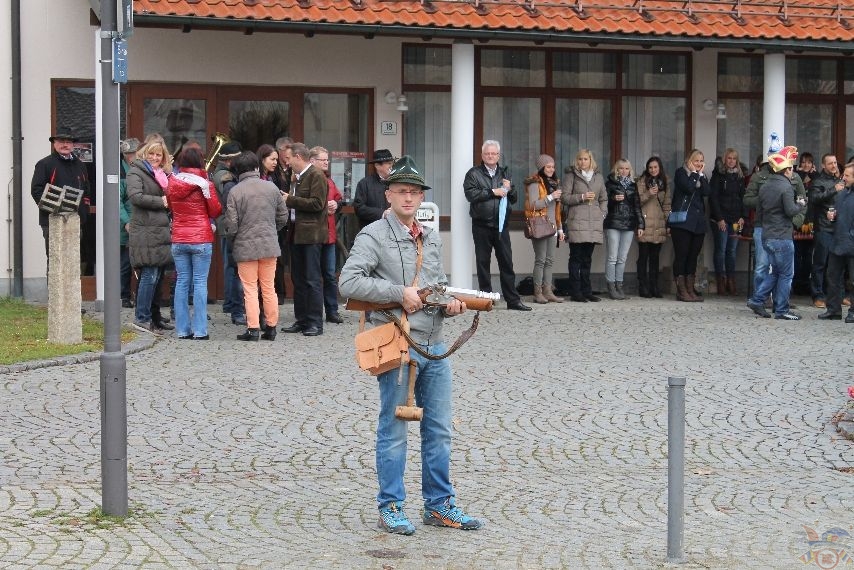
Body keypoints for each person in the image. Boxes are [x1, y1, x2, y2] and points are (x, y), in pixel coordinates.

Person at [338, 155, 484, 536]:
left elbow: (435, 286)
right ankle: (390, 506)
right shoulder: (372, 235)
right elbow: (348, 283)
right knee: (394, 429)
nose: (408, 197)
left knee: (439, 430)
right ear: (388, 194)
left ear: (421, 198)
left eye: (415, 192)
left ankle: (439, 505)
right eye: (402, 191)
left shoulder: (430, 237)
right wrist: (397, 293)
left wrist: (451, 305)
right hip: (398, 345)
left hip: (434, 346)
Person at [223, 151, 289, 341]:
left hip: (245, 247)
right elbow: (283, 216)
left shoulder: (235, 191)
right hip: (269, 245)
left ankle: (253, 329)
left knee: (250, 288)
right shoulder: (271, 187)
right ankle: (271, 327)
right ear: (256, 167)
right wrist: (272, 230)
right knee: (268, 287)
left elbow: (231, 224)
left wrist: (234, 238)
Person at [464, 140, 530, 311]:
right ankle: (486, 300)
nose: (490, 156)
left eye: (493, 153)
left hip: (502, 225)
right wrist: (493, 192)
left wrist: (510, 189)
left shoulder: (505, 173)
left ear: (498, 156)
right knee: (483, 263)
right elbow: (471, 195)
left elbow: (514, 198)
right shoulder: (473, 173)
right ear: (482, 155)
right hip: (481, 224)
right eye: (487, 153)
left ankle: (513, 301)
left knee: (507, 263)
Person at [165, 147, 222, 339]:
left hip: (179, 237)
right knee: (199, 282)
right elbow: (215, 211)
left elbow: (171, 207)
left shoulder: (172, 182)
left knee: (182, 281)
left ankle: (182, 330)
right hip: (200, 238)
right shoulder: (205, 184)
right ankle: (200, 331)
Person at [744, 135, 807, 306]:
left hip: (785, 226)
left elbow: (803, 199)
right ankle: (762, 299)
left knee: (782, 269)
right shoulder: (759, 176)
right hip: (762, 225)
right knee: (762, 266)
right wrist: (769, 200)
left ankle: (779, 301)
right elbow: (747, 200)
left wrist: (796, 221)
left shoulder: (794, 177)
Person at [127, 136, 174, 333]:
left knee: (158, 276)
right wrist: (161, 201)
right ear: (144, 154)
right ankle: (142, 318)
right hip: (146, 230)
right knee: (149, 275)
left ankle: (155, 317)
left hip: (159, 230)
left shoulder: (161, 174)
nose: (155, 157)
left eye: (159, 155)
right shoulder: (136, 171)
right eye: (152, 154)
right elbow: (135, 197)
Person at [281, 143, 328, 336]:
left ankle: (315, 322)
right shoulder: (297, 177)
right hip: (296, 233)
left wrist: (289, 200)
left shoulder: (316, 175)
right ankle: (301, 320)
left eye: (289, 158)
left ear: (298, 157)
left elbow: (317, 204)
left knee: (312, 279)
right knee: (298, 279)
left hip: (311, 235)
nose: (287, 162)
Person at [30, 127, 91, 271]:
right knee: (56, 261)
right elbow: (36, 190)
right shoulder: (44, 164)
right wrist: (57, 209)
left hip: (75, 220)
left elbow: (86, 190)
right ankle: (54, 288)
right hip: (52, 220)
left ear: (73, 145)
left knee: (73, 260)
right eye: (61, 141)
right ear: (55, 143)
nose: (65, 145)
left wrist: (83, 213)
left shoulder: (80, 165)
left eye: (68, 142)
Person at [560, 149, 608, 303]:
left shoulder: (598, 177)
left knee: (587, 259)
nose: (582, 162)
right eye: (580, 159)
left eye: (586, 159)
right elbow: (564, 197)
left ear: (590, 160)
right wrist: (581, 197)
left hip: (593, 222)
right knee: (576, 258)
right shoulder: (571, 175)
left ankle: (587, 291)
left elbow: (604, 198)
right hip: (577, 221)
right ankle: (576, 292)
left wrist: (602, 214)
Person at [669, 149, 712, 302]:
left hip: (698, 223)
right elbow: (687, 188)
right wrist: (694, 173)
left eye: (701, 161)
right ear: (689, 161)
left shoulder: (701, 175)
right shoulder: (681, 173)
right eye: (696, 160)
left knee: (693, 256)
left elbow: (707, 192)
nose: (699, 164)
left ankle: (690, 288)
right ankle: (681, 291)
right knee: (682, 255)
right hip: (682, 222)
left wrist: (701, 175)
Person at [309, 145, 345, 324]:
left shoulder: (329, 180)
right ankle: (313, 313)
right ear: (312, 161)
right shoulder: (307, 179)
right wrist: (325, 206)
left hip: (329, 235)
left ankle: (332, 311)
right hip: (314, 235)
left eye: (327, 160)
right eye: (322, 160)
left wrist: (336, 205)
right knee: (313, 276)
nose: (326, 163)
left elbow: (340, 199)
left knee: (330, 275)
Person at [212, 140, 246, 326]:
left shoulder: (223, 174)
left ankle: (230, 303)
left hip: (226, 225)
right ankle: (231, 304)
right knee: (231, 267)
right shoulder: (224, 176)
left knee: (230, 266)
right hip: (228, 226)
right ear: (230, 160)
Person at [524, 154, 563, 303]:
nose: (551, 169)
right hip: (540, 225)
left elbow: (557, 210)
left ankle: (548, 291)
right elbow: (533, 205)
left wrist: (560, 228)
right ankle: (538, 292)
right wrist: (550, 197)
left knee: (550, 260)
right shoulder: (534, 183)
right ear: (541, 168)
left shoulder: (554, 183)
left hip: (552, 226)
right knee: (540, 260)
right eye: (548, 167)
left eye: (553, 167)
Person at [818, 162, 854, 323]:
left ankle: (853, 312)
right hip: (838, 241)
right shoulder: (842, 194)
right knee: (832, 276)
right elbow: (838, 215)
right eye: (844, 174)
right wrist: (832, 218)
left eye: (847, 175)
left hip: (851, 242)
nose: (843, 178)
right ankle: (833, 309)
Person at [603, 159, 644, 300]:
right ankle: (611, 286)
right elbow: (603, 203)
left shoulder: (633, 185)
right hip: (613, 222)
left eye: (627, 168)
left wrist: (641, 225)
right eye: (621, 168)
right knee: (612, 257)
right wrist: (613, 199)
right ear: (616, 169)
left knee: (622, 258)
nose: (624, 171)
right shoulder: (610, 183)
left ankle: (619, 285)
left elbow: (637, 206)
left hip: (629, 224)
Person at [808, 153, 844, 309]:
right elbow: (814, 199)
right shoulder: (818, 181)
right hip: (823, 227)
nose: (834, 166)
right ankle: (817, 295)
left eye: (835, 163)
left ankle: (838, 295)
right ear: (823, 165)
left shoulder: (839, 180)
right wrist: (834, 190)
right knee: (820, 263)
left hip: (838, 228)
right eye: (830, 163)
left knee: (838, 264)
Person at [709, 148, 746, 296]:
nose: (731, 161)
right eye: (729, 158)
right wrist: (719, 218)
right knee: (721, 250)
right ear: (725, 159)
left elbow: (743, 197)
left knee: (732, 251)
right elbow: (713, 198)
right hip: (721, 219)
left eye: (734, 158)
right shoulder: (718, 175)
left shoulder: (740, 176)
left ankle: (731, 280)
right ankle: (721, 280)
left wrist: (743, 216)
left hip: (736, 219)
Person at [636, 156, 671, 298]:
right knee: (643, 257)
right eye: (650, 167)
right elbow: (637, 201)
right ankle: (643, 286)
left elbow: (667, 204)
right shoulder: (641, 181)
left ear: (659, 167)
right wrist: (649, 194)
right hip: (645, 223)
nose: (653, 170)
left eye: (655, 167)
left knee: (655, 258)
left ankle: (654, 286)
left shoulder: (665, 181)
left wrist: (668, 223)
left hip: (659, 224)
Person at [119, 137, 140, 308]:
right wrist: (126, 221)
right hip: (124, 226)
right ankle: (123, 296)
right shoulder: (119, 172)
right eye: (128, 154)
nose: (131, 156)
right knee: (125, 263)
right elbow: (117, 201)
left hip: (141, 222)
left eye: (134, 153)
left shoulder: (142, 169)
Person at [273, 137, 294, 305]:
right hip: (279, 219)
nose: (289, 158)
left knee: (293, 258)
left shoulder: (295, 169)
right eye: (287, 155)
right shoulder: (274, 171)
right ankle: (280, 292)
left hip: (293, 219)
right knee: (278, 258)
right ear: (280, 152)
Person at [353, 149, 394, 230]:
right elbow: (359, 208)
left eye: (391, 163)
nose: (391, 166)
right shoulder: (364, 183)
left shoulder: (396, 183)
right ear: (377, 165)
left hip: (393, 231)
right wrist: (382, 213)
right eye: (388, 163)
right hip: (371, 231)